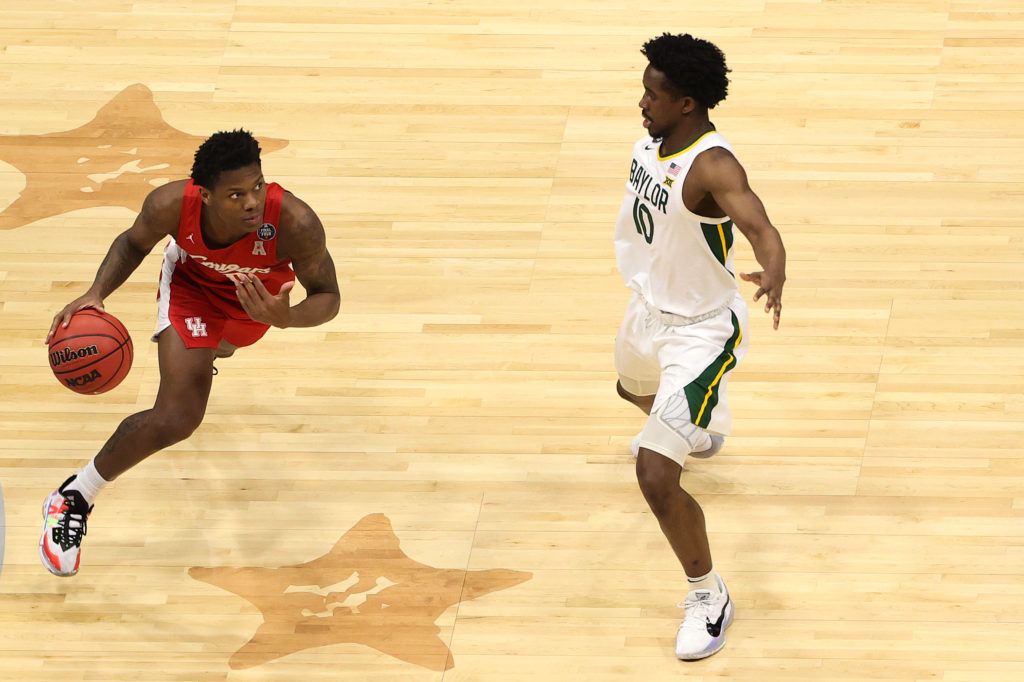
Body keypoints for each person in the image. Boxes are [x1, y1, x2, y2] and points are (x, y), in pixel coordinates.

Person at [40, 129, 341, 577]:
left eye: (257, 186)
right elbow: (132, 243)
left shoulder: (296, 223)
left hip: (254, 306)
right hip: (191, 290)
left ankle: (208, 353)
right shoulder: (170, 204)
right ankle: (74, 497)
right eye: (235, 194)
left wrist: (287, 318)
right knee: (178, 416)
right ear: (204, 195)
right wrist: (96, 293)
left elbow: (329, 296)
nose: (251, 202)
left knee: (221, 348)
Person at [613, 34, 786, 660]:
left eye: (652, 94)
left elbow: (762, 227)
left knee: (656, 475)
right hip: (647, 312)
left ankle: (709, 597)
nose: (641, 102)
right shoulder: (657, 139)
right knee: (629, 389)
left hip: (701, 330)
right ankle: (699, 425)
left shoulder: (713, 166)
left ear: (687, 103)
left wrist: (774, 270)